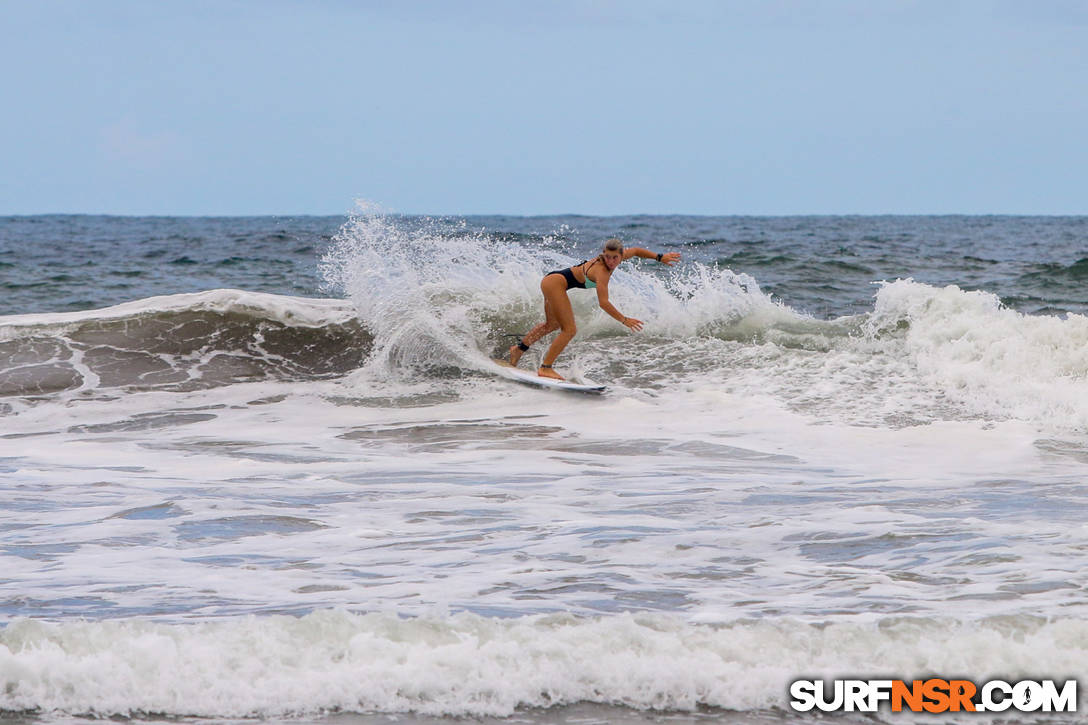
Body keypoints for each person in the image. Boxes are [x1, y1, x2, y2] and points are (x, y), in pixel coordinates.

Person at [509, 238, 681, 380]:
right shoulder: (602, 272)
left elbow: (636, 250)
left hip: (552, 280)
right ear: (603, 255)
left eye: (615, 258)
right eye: (607, 257)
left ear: (621, 256)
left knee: (552, 325)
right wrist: (624, 320)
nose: (611, 262)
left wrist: (660, 257)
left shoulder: (620, 257)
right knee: (569, 330)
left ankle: (518, 350)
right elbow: (604, 303)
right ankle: (546, 367)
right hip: (555, 283)